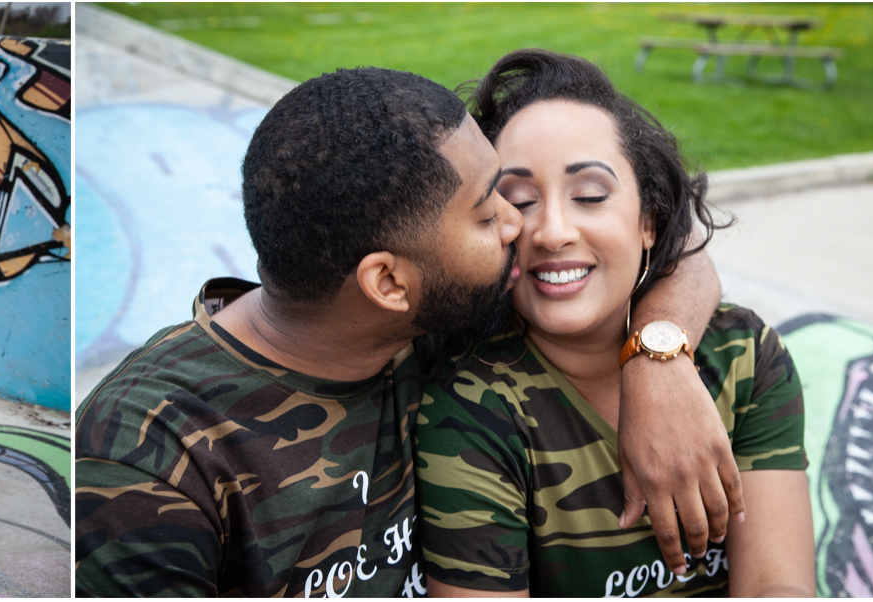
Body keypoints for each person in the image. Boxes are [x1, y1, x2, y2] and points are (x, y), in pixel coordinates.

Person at [75, 66, 736, 598]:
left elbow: (680, 255)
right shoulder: (147, 461)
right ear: (387, 283)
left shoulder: (429, 315)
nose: (523, 228)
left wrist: (659, 360)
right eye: (488, 215)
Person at [415, 49, 813, 598]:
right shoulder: (473, 409)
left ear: (649, 220)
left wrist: (661, 361)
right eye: (520, 200)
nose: (553, 232)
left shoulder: (742, 354)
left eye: (590, 196)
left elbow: (779, 586)